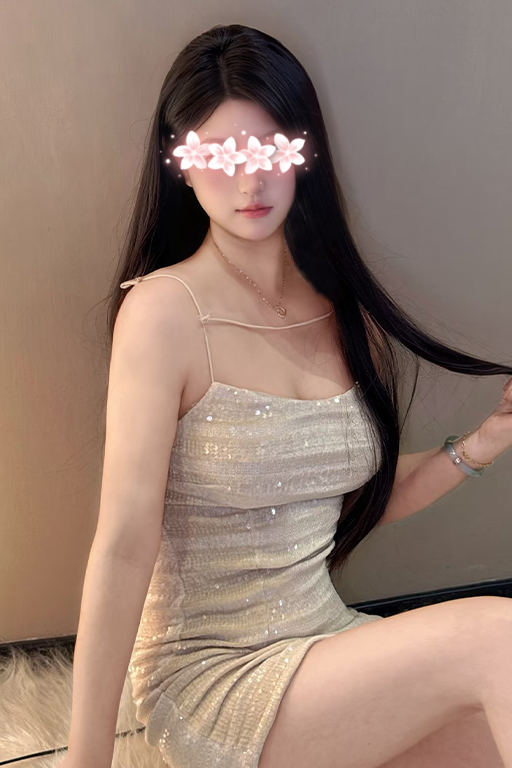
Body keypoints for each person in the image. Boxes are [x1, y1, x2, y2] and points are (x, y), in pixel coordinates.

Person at [61, 23, 512, 768]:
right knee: (499, 635)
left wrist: (488, 439)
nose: (250, 182)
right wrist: (87, 758)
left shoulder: (339, 310)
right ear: (182, 163)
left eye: (272, 150)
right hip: (216, 679)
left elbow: (351, 500)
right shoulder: (164, 312)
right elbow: (124, 544)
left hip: (328, 647)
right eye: (222, 154)